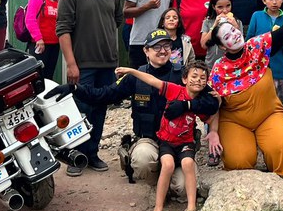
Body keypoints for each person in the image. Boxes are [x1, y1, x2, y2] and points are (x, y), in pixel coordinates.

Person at [75, 29, 219, 197]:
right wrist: (75, 89)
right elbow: (103, 95)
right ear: (146, 50)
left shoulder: (183, 75)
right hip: (148, 139)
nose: (163, 51)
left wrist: (188, 105)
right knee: (143, 159)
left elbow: (212, 102)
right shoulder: (135, 77)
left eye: (166, 46)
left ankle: (169, 180)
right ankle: (157, 184)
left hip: (178, 143)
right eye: (156, 47)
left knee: (182, 188)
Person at [203, 0, 283, 177]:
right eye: (227, 36)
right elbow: (213, 105)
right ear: (223, 47)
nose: (234, 36)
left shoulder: (258, 46)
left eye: (234, 31)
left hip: (268, 114)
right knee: (238, 160)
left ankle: (278, 174)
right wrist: (213, 131)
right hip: (235, 121)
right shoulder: (219, 69)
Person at [114, 60, 213, 211]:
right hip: (166, 141)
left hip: (185, 143)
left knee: (188, 163)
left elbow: (213, 114)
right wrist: (131, 71)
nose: (198, 80)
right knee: (167, 165)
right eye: (194, 76)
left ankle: (191, 208)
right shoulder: (175, 90)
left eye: (203, 78)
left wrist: (214, 131)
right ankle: (157, 209)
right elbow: (152, 80)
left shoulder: (202, 101)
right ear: (184, 79)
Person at [57, 0, 124, 177]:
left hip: (107, 63)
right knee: (80, 110)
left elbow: (116, 21)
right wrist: (71, 63)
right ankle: (76, 156)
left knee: (100, 110)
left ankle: (93, 153)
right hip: (82, 64)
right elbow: (63, 29)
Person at [246, 0, 283, 105]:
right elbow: (249, 42)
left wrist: (279, 36)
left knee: (278, 103)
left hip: (278, 68)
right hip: (258, 68)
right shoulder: (257, 16)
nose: (274, 2)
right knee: (257, 103)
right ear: (263, 0)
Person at [25, 0, 63, 80]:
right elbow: (30, 19)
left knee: (49, 76)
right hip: (40, 44)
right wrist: (39, 39)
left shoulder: (58, 1)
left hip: (55, 44)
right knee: (38, 76)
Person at [201, 0, 243, 72]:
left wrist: (235, 26)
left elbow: (241, 45)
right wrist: (214, 26)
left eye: (228, 6)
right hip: (211, 66)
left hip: (232, 66)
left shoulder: (236, 22)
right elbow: (203, 45)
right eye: (220, 7)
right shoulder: (207, 22)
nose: (225, 10)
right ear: (213, 7)